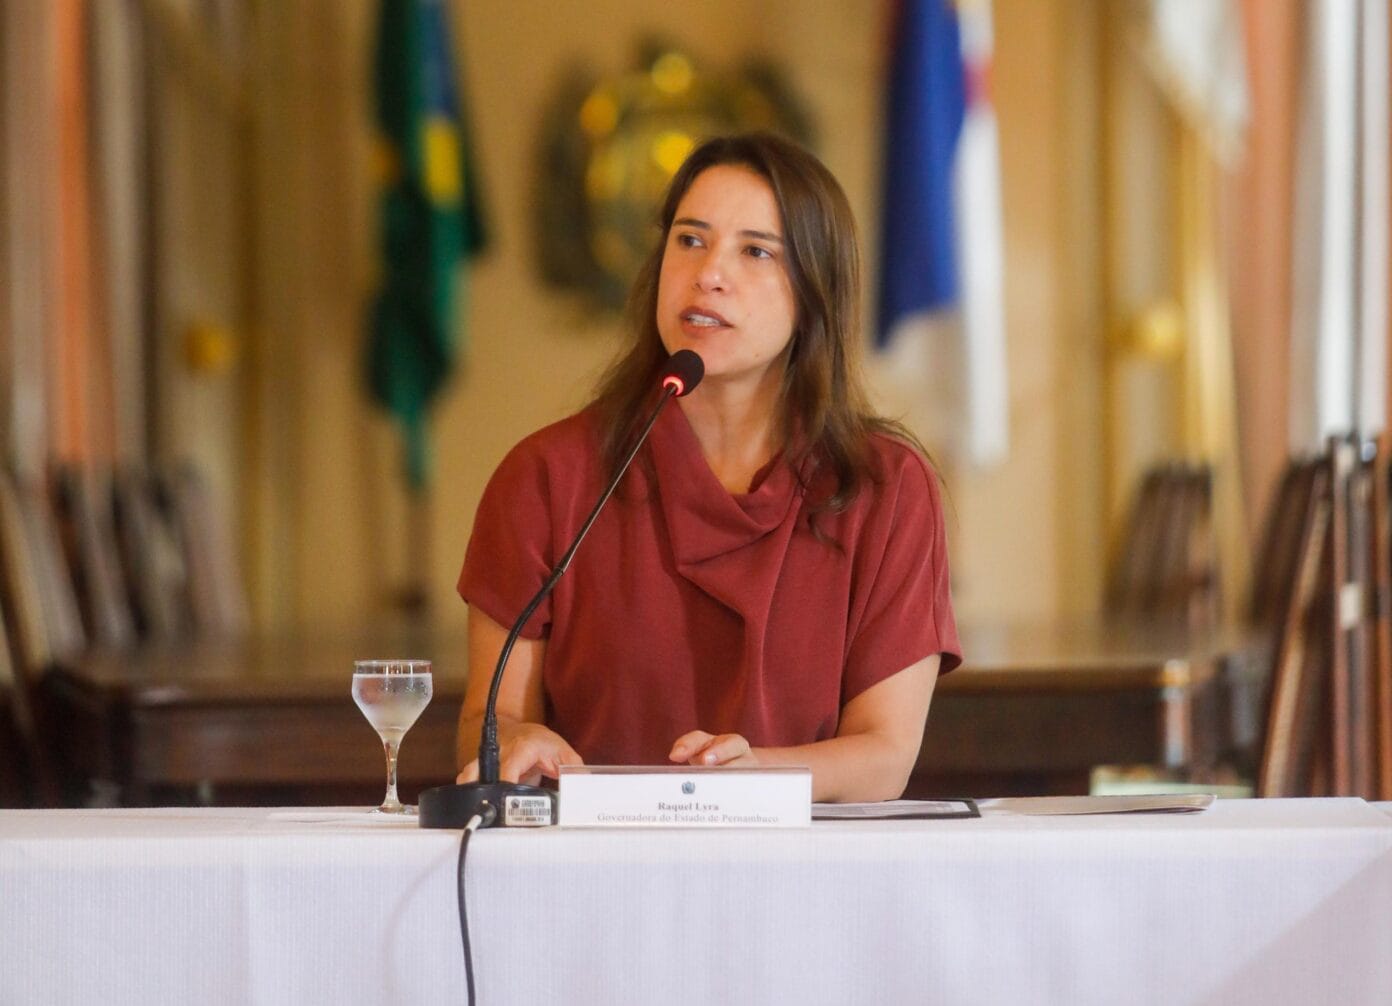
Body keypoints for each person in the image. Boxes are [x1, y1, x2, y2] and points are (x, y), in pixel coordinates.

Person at [455, 132, 960, 802]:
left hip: (806, 858)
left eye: (756, 251)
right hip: (592, 858)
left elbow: (884, 756)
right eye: (690, 240)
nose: (708, 273)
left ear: (816, 291)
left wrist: (751, 780)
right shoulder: (547, 477)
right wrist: (519, 741)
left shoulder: (885, 487)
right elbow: (489, 723)